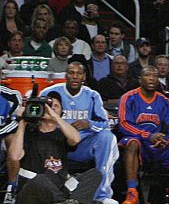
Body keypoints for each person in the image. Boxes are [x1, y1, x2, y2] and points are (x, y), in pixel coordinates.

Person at [118, 66, 169, 204]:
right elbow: (125, 124)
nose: (151, 78)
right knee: (132, 142)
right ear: (140, 79)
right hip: (138, 142)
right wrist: (148, 136)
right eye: (147, 75)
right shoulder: (128, 98)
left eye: (155, 76)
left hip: (158, 144)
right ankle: (132, 193)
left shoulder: (164, 101)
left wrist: (165, 139)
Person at [42, 62, 118, 204]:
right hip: (54, 144)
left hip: (81, 147)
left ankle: (101, 196)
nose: (75, 76)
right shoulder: (49, 92)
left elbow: (105, 124)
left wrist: (89, 124)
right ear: (66, 75)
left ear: (84, 77)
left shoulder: (92, 95)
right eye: (71, 73)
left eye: (79, 73)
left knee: (108, 138)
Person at [8, 91, 102, 204]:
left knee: (95, 174)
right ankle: (66, 202)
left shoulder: (63, 133)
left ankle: (68, 201)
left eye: (55, 106)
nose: (51, 108)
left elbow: (75, 139)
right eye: (47, 106)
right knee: (40, 179)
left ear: (62, 112)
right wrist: (23, 121)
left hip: (59, 189)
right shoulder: (28, 132)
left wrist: (54, 117)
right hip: (32, 190)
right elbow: (14, 156)